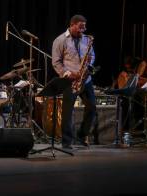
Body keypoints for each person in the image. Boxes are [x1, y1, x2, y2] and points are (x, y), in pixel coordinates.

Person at [52, 14, 96, 149]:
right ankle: (67, 141)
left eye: (84, 27)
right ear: (72, 25)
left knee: (92, 108)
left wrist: (89, 63)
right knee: (67, 111)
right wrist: (68, 74)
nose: (82, 30)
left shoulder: (86, 39)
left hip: (86, 79)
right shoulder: (60, 40)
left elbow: (92, 55)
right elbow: (56, 62)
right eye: (80, 27)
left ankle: (82, 135)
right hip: (70, 80)